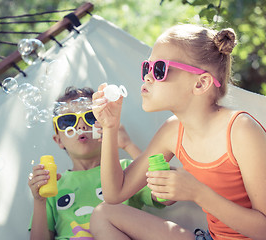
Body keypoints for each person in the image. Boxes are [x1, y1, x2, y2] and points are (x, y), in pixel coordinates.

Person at [90, 24, 266, 240]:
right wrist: (109, 126)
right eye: (147, 67)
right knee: (104, 213)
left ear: (201, 84)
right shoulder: (173, 131)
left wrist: (198, 193)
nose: (147, 77)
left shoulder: (241, 130)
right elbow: (115, 193)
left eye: (160, 69)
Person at [27, 86, 165, 240]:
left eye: (91, 117)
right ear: (58, 140)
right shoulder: (52, 187)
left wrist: (128, 145)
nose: (80, 126)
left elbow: (163, 193)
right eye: (68, 121)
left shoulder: (125, 170)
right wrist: (39, 202)